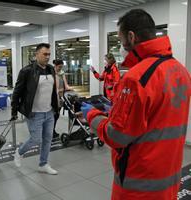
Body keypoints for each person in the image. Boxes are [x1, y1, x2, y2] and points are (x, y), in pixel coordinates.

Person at [85, 9, 191, 200]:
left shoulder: (136, 77)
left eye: (120, 39)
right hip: (169, 179)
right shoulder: (181, 71)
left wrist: (91, 116)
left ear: (131, 37)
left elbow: (117, 136)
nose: (121, 46)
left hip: (139, 184)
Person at [11, 43, 59, 175]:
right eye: (45, 54)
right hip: (34, 113)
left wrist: (56, 108)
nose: (47, 57)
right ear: (36, 54)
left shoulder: (50, 69)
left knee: (48, 139)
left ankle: (43, 164)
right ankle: (19, 152)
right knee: (36, 139)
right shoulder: (26, 71)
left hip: (49, 112)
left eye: (49, 54)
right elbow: (17, 92)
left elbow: (53, 91)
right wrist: (14, 111)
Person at [53, 59, 72, 139]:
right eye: (59, 67)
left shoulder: (62, 73)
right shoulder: (52, 74)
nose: (60, 68)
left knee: (57, 115)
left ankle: (52, 130)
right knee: (53, 115)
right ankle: (50, 131)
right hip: (53, 97)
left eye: (61, 67)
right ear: (55, 66)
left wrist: (70, 88)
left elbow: (66, 84)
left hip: (60, 96)